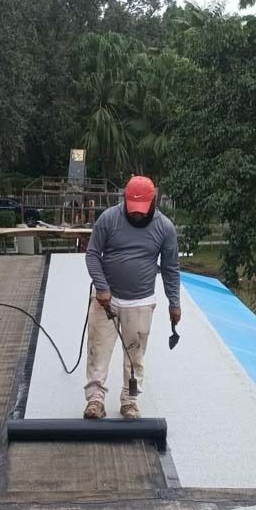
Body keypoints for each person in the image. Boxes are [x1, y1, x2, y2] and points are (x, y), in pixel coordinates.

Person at [83, 176, 181, 419]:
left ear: (154, 201)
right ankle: (95, 400)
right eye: (132, 209)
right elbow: (93, 254)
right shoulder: (109, 219)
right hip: (105, 300)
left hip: (140, 302)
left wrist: (174, 303)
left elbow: (170, 268)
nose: (137, 215)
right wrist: (102, 287)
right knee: (98, 350)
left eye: (142, 210)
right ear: (124, 199)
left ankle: (129, 400)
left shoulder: (164, 227)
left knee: (134, 356)